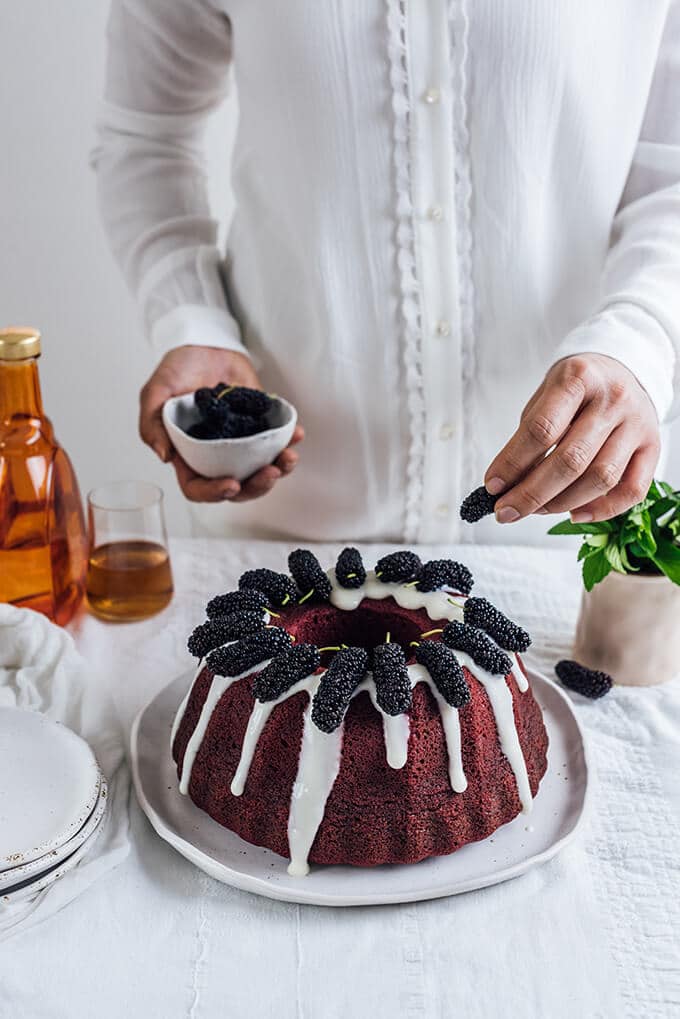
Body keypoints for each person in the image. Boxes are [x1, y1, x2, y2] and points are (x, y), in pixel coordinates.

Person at [92, 1, 680, 546]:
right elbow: (146, 142)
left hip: (565, 538)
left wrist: (639, 339)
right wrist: (192, 319)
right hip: (278, 536)